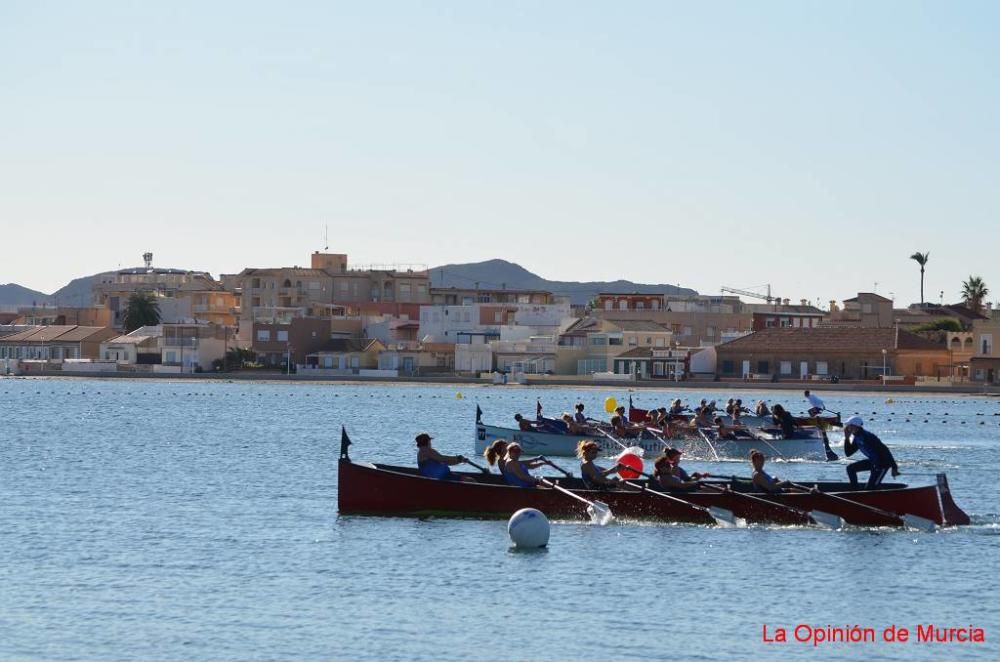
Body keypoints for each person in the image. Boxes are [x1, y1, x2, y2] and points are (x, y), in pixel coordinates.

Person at [842, 416, 900, 489]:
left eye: (849, 426)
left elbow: (885, 450)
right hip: (873, 462)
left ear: (855, 426)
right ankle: (855, 491)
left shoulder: (867, 436)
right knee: (850, 468)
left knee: (871, 488)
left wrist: (894, 467)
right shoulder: (857, 437)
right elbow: (848, 453)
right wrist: (847, 438)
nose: (847, 428)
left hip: (882, 464)